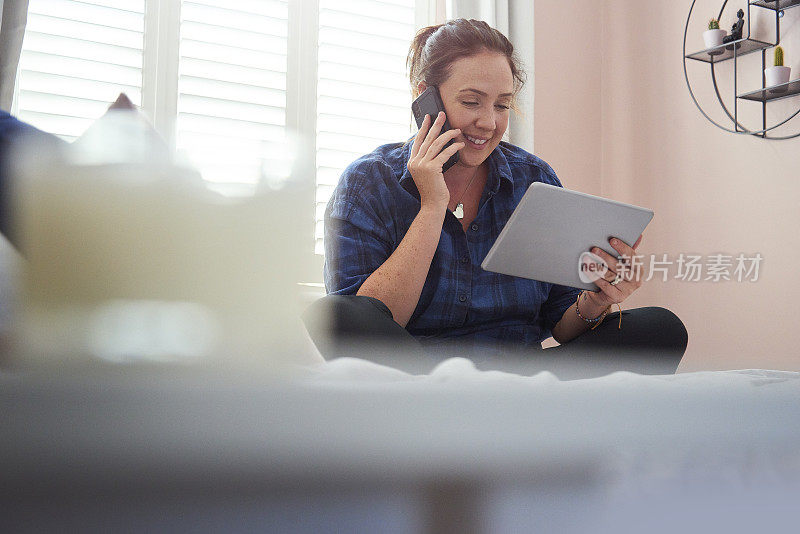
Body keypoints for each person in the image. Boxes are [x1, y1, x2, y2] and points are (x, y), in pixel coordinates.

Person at [303, 19, 687, 377]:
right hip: (421, 379)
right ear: (426, 99)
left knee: (661, 329)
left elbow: (563, 325)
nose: (489, 123)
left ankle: (508, 411)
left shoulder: (533, 178)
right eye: (471, 102)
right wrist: (432, 207)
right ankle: (473, 415)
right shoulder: (368, 182)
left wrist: (596, 301)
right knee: (337, 316)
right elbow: (369, 319)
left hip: (524, 375)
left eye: (501, 105)